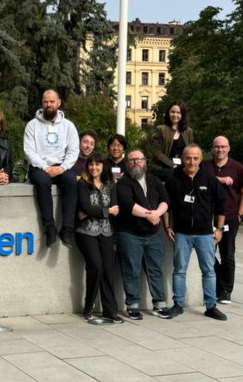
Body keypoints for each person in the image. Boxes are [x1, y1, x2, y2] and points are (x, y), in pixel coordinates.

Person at [165, 144, 228, 320]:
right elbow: (165, 206)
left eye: (195, 158)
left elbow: (221, 205)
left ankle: (211, 306)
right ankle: (178, 304)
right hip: (182, 233)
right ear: (183, 159)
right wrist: (168, 227)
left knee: (209, 270)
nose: (192, 161)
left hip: (205, 234)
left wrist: (220, 229)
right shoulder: (173, 180)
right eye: (188, 158)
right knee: (179, 270)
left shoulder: (210, 180)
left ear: (200, 159)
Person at [116, 150, 173, 320]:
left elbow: (165, 201)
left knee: (155, 269)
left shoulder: (154, 180)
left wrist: (157, 213)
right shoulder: (123, 183)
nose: (136, 162)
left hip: (154, 234)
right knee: (131, 269)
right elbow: (127, 204)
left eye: (139, 159)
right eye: (132, 160)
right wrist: (150, 215)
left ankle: (160, 303)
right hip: (130, 233)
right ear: (127, 163)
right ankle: (132, 305)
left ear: (145, 162)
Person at [23, 90, 79, 248]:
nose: (49, 105)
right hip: (39, 167)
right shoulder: (32, 125)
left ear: (58, 103)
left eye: (52, 102)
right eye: (46, 102)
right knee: (41, 181)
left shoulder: (68, 126)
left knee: (71, 180)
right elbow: (29, 151)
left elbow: (73, 150)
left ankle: (67, 229)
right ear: (42, 103)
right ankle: (50, 228)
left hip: (61, 167)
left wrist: (63, 168)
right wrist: (44, 167)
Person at [202, 136, 243, 304]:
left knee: (227, 254)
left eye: (223, 147)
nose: (220, 150)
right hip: (207, 217)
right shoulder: (205, 165)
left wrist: (240, 214)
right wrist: (221, 180)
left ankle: (225, 291)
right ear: (212, 149)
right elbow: (198, 180)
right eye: (217, 147)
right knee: (207, 252)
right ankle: (216, 286)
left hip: (230, 217)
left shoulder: (238, 168)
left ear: (229, 148)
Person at [75, 152, 122, 323]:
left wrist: (91, 212)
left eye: (98, 164)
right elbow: (85, 207)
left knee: (108, 269)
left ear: (103, 166)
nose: (94, 167)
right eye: (91, 164)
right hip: (86, 231)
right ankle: (88, 307)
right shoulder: (83, 184)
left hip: (107, 232)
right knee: (95, 266)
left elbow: (116, 209)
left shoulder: (111, 185)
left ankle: (110, 311)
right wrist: (106, 211)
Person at [151, 101, 194, 182]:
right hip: (162, 167)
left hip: (182, 166)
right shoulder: (161, 129)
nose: (175, 115)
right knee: (175, 175)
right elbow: (156, 152)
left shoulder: (188, 131)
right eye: (172, 112)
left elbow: (191, 150)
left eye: (178, 112)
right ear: (168, 113)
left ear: (182, 115)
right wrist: (172, 165)